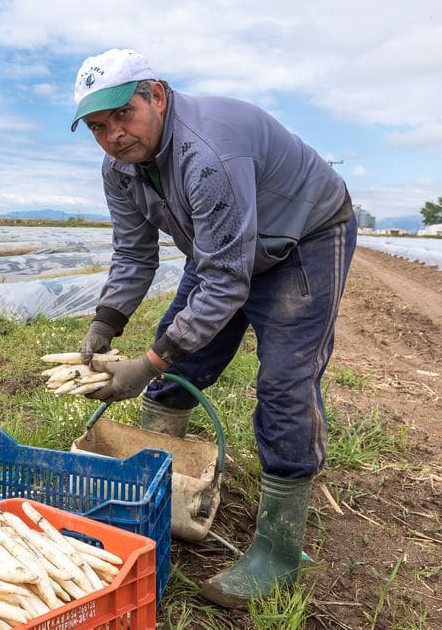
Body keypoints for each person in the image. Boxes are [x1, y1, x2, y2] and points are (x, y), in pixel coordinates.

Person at [71, 48, 357, 608]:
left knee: (283, 384)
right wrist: (106, 323)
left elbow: (226, 282)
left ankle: (277, 549)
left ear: (156, 94)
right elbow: (133, 254)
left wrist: (150, 361)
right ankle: (160, 493)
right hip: (223, 249)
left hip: (303, 242)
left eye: (123, 115)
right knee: (181, 369)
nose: (114, 136)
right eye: (99, 127)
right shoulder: (120, 169)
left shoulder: (208, 153)